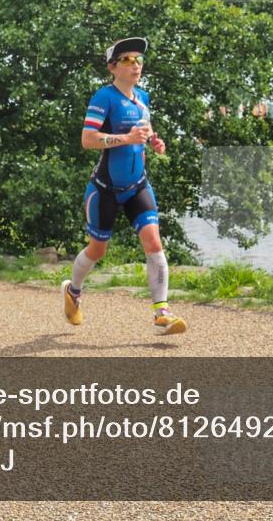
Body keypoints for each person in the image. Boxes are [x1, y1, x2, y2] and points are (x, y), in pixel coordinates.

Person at [62, 37, 186, 336]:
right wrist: (126, 139)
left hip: (137, 186)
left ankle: (162, 313)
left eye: (139, 60)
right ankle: (73, 291)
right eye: (128, 60)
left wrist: (153, 141)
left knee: (154, 243)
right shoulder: (104, 97)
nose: (136, 65)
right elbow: (88, 139)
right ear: (112, 67)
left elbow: (144, 128)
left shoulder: (142, 97)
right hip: (104, 189)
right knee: (97, 250)